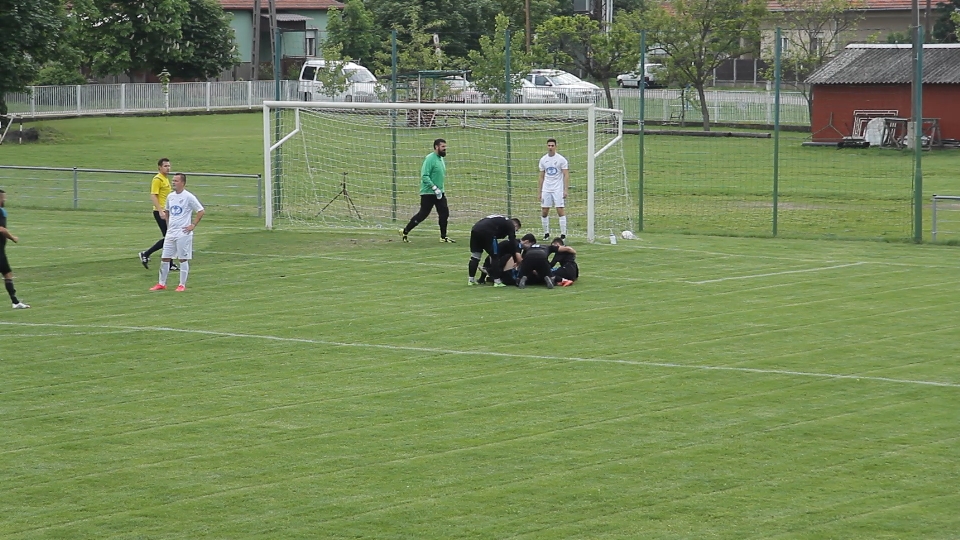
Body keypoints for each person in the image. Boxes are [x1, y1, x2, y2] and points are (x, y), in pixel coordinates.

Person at [149, 173, 204, 292]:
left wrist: (192, 225)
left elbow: (200, 211)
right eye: (173, 180)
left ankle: (182, 284)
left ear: (183, 183)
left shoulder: (188, 197)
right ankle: (161, 283)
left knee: (183, 258)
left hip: (183, 233)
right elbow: (167, 211)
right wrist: (169, 226)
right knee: (165, 258)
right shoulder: (170, 197)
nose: (173, 182)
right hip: (171, 232)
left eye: (176, 181)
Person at [400, 138, 454, 243]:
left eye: (445, 146)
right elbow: (424, 176)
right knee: (423, 215)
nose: (445, 149)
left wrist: (439, 190)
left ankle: (443, 237)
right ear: (436, 147)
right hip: (428, 193)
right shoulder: (430, 159)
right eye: (443, 147)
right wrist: (433, 187)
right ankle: (405, 231)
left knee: (444, 213)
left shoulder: (441, 159)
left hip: (439, 192)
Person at [139, 157, 178, 271]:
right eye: (165, 166)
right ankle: (146, 254)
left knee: (169, 238)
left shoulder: (165, 179)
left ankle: (169, 263)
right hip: (160, 212)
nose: (168, 168)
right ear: (159, 167)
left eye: (169, 166)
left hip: (166, 211)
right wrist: (160, 210)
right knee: (169, 238)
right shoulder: (157, 179)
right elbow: (153, 195)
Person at [468, 215, 521, 287]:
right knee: (495, 256)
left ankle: (471, 280)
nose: (515, 231)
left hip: (475, 229)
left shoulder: (499, 219)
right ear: (515, 225)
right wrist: (515, 257)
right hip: (488, 232)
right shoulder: (510, 224)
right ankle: (497, 281)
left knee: (475, 256)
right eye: (516, 229)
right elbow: (512, 241)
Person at [0, 189, 30, 309]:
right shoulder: (1, 211)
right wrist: (13, 238)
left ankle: (15, 301)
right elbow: (1, 229)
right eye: (2, 197)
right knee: (7, 274)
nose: (4, 199)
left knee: (7, 273)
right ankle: (15, 302)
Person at [538, 138, 570, 240]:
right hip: (546, 188)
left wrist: (565, 189)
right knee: (544, 211)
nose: (550, 147)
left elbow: (566, 175)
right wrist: (539, 191)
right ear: (547, 146)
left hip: (557, 188)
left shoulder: (561, 159)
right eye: (549, 145)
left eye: (552, 145)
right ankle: (546, 233)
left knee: (560, 210)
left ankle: (563, 234)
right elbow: (541, 176)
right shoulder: (543, 160)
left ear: (556, 146)